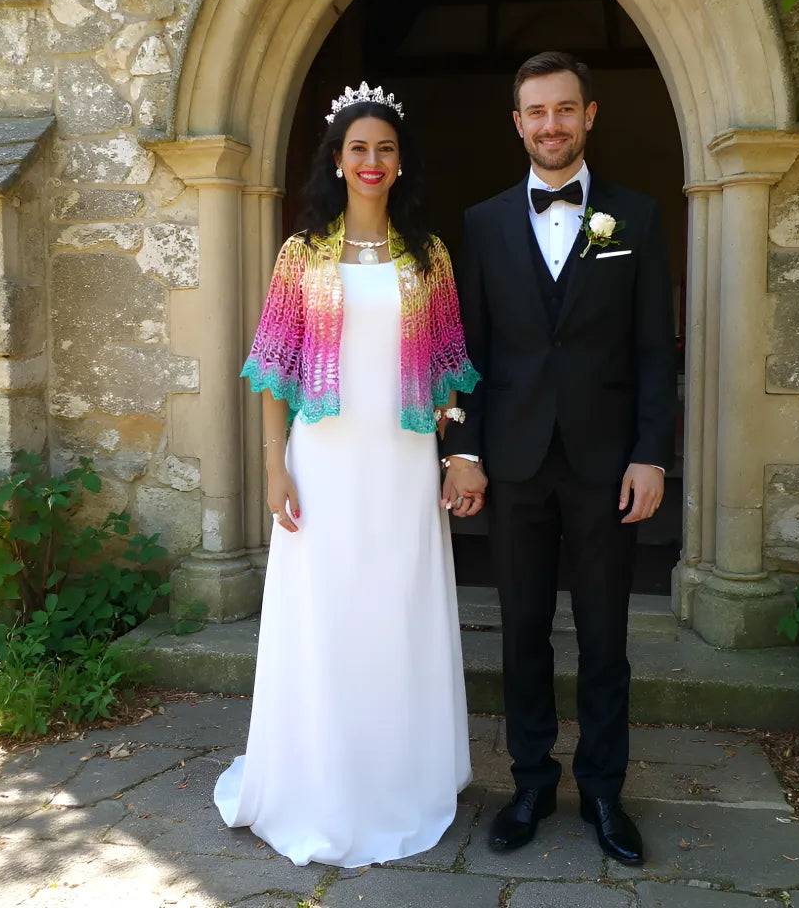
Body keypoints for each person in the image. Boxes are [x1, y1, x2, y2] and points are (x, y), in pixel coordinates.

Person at [214, 83, 481, 868]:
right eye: (358, 148)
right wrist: (274, 468)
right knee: (327, 617)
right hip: (321, 464)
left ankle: (400, 777)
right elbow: (270, 370)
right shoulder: (301, 254)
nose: (372, 161)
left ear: (402, 164)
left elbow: (451, 366)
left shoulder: (428, 256)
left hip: (400, 465)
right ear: (337, 160)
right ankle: (320, 782)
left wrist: (448, 437)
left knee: (395, 612)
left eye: (386, 148)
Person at [441, 52, 677, 867]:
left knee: (606, 636)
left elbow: (654, 351)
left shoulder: (637, 219)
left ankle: (605, 790)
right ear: (517, 122)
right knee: (523, 632)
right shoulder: (481, 223)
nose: (552, 125)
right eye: (537, 112)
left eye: (565, 110)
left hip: (608, 465)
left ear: (590, 115)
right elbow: (464, 349)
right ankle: (533, 782)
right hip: (512, 461)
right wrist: (462, 449)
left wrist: (652, 456)